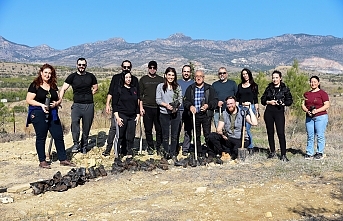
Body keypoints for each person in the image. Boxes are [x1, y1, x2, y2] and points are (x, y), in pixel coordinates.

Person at [26, 64, 75, 169]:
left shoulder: (53, 85)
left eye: (49, 73)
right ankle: (42, 161)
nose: (47, 75)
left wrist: (56, 104)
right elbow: (29, 100)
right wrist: (41, 105)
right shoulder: (35, 85)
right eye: (46, 73)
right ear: (41, 73)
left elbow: (58, 98)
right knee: (41, 137)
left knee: (58, 135)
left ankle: (63, 159)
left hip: (52, 113)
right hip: (38, 112)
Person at [59, 58, 98, 154]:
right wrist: (59, 100)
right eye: (80, 64)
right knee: (75, 123)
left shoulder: (91, 76)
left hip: (89, 105)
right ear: (76, 65)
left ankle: (84, 146)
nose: (81, 66)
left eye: (83, 65)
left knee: (86, 127)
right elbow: (63, 88)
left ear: (86, 65)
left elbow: (95, 87)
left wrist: (90, 94)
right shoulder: (72, 77)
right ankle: (76, 143)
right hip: (76, 105)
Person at [102, 60, 140, 157]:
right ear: (121, 67)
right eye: (125, 67)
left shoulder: (134, 80)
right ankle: (109, 149)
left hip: (130, 111)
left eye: (128, 67)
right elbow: (110, 92)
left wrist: (139, 111)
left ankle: (125, 150)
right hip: (119, 110)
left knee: (128, 130)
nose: (126, 69)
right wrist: (107, 104)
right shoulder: (116, 78)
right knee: (114, 128)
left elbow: (137, 97)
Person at [183, 70, 218, 158]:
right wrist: (190, 106)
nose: (198, 78)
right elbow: (186, 101)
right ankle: (198, 152)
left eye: (200, 76)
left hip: (206, 115)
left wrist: (208, 105)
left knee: (207, 134)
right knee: (196, 135)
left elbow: (215, 101)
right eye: (197, 76)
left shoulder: (209, 88)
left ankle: (210, 152)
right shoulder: (190, 88)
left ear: (203, 77)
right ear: (194, 78)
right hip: (195, 115)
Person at [261, 70, 293, 161]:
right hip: (269, 112)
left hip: (279, 112)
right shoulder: (268, 88)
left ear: (280, 78)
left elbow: (290, 101)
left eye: (276, 78)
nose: (274, 79)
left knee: (281, 133)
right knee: (270, 133)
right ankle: (272, 152)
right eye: (273, 78)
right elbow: (262, 100)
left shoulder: (285, 89)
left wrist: (283, 103)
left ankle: (283, 154)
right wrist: (269, 102)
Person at [156, 67, 183, 161]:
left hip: (175, 113)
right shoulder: (160, 86)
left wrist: (176, 107)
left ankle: (173, 153)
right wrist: (166, 106)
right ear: (165, 75)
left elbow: (180, 99)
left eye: (172, 75)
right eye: (169, 75)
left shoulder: (177, 87)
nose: (171, 77)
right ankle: (166, 152)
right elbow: (158, 100)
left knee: (174, 134)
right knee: (165, 134)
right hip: (164, 113)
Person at [301, 76, 330, 160]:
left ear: (318, 83)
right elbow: (302, 105)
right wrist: (307, 111)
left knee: (320, 135)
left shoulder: (323, 93)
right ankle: (309, 153)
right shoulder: (306, 94)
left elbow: (327, 105)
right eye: (311, 82)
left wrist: (316, 111)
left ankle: (319, 152)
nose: (313, 83)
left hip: (320, 116)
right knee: (310, 135)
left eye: (314, 82)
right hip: (309, 117)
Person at [113, 71, 140, 158]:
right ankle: (117, 155)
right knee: (120, 136)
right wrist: (117, 117)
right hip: (122, 115)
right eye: (126, 77)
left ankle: (129, 153)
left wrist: (138, 114)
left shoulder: (134, 89)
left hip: (132, 116)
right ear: (123, 78)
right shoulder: (119, 89)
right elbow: (115, 104)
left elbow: (137, 103)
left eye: (130, 77)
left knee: (131, 136)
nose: (128, 79)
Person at [139, 61, 164, 155]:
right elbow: (140, 95)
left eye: (154, 67)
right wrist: (141, 107)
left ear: (156, 68)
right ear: (148, 68)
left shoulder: (161, 80)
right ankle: (150, 147)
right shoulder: (143, 80)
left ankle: (159, 147)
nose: (152, 69)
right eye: (150, 67)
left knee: (159, 129)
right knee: (148, 129)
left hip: (158, 107)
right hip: (146, 107)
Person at [235, 68, 259, 153]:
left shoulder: (254, 86)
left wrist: (257, 110)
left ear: (249, 74)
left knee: (247, 128)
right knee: (241, 128)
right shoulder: (240, 86)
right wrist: (236, 108)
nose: (245, 75)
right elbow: (237, 98)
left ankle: (250, 147)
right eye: (243, 74)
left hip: (250, 108)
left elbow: (255, 99)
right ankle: (242, 145)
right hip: (241, 108)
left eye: (246, 74)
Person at [177, 65, 194, 156]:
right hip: (178, 110)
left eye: (188, 71)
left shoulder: (193, 84)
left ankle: (185, 149)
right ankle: (175, 147)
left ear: (190, 73)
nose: (186, 73)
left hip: (189, 110)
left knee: (188, 130)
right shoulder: (177, 82)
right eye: (184, 71)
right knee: (177, 130)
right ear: (182, 72)